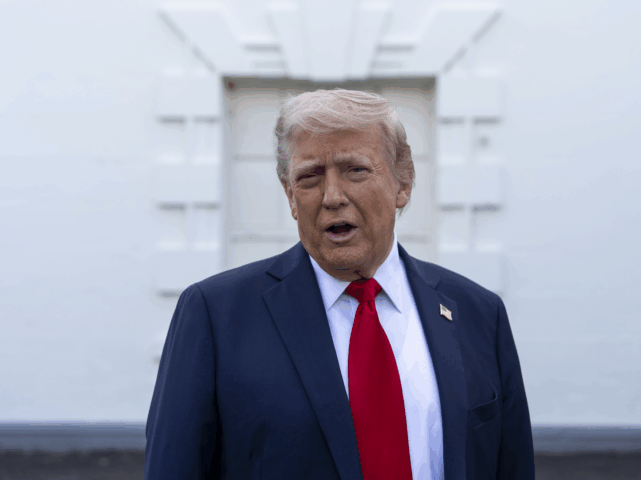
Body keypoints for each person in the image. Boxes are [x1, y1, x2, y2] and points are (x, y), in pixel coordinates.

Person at [144, 89, 534, 480]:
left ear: (403, 183)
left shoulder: (478, 313)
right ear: (291, 197)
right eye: (310, 176)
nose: (332, 197)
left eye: (355, 170)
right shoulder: (215, 316)